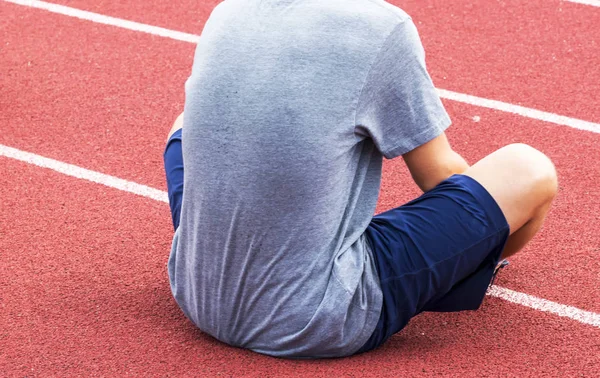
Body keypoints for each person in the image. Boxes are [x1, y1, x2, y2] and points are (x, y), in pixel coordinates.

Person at [163, 0, 557, 358]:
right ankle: (478, 269)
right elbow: (438, 174)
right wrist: (480, 235)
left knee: (184, 126)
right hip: (312, 319)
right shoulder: (380, 28)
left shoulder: (228, 9)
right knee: (528, 168)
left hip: (196, 290)